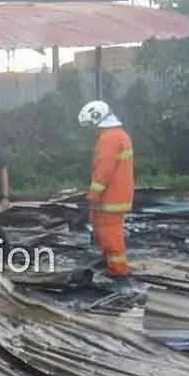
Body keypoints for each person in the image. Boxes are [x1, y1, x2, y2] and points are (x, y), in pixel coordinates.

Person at [78, 100, 134, 278]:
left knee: (110, 232)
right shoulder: (120, 134)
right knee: (102, 228)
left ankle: (118, 270)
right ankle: (109, 260)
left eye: (91, 126)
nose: (91, 130)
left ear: (97, 119)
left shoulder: (109, 138)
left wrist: (93, 194)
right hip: (116, 195)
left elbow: (104, 170)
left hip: (112, 197)